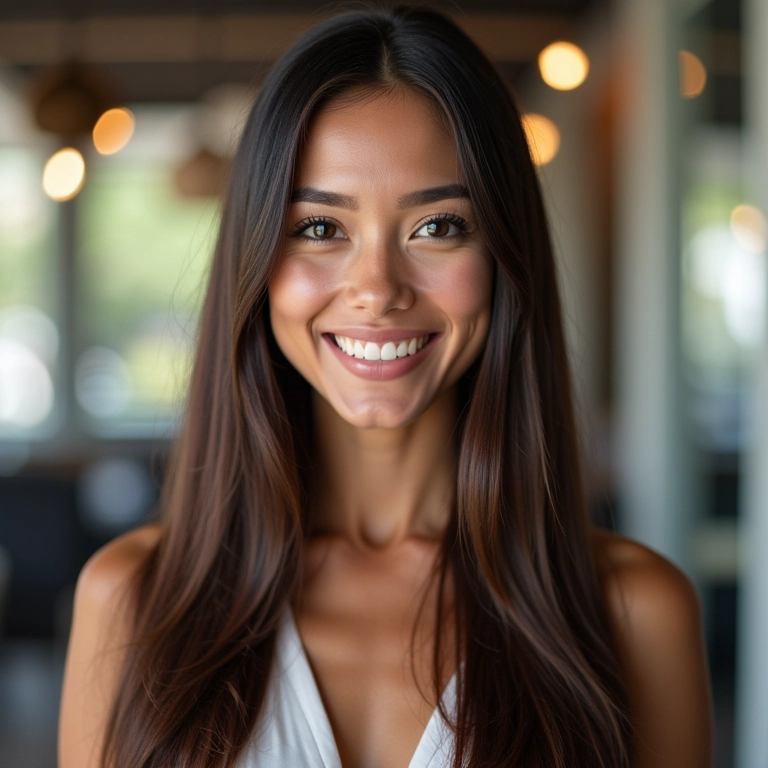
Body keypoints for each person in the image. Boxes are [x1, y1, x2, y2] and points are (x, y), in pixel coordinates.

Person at [58, 6, 713, 768]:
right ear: (256, 260)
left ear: (505, 255)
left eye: (437, 226)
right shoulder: (132, 600)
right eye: (320, 228)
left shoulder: (636, 611)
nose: (377, 288)